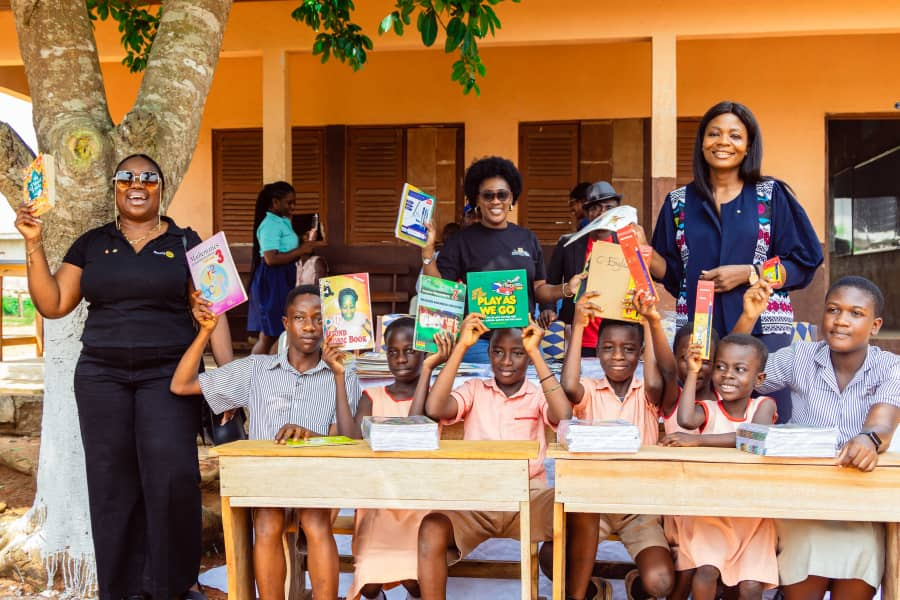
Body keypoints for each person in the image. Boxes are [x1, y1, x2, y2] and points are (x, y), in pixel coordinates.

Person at [14, 154, 232, 600]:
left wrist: (227, 382)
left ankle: (173, 585)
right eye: (127, 177)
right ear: (115, 188)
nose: (138, 184)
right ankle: (122, 589)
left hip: (168, 376)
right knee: (112, 482)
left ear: (161, 187)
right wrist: (33, 244)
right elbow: (53, 303)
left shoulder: (191, 243)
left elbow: (219, 311)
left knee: (170, 476)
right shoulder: (92, 244)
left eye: (148, 177)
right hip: (101, 376)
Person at [171, 284, 360, 600]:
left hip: (318, 476)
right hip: (266, 478)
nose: (310, 327)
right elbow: (182, 384)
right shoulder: (257, 369)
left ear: (330, 325)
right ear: (286, 323)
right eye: (300, 318)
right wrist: (206, 332)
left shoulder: (342, 373)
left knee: (314, 520)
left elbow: (351, 441)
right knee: (268, 520)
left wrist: (338, 377)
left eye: (318, 318)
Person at [650, 100, 824, 423]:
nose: (723, 142)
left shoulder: (771, 196)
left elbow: (805, 260)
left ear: (748, 147)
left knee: (766, 420)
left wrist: (751, 273)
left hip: (762, 330)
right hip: (701, 331)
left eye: (735, 135)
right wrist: (646, 257)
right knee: (701, 420)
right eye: (714, 133)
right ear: (702, 143)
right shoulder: (677, 204)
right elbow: (676, 276)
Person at [734, 276, 899, 599]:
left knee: (861, 552)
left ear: (875, 325)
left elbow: (882, 424)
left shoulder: (890, 367)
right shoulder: (799, 357)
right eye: (833, 310)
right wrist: (749, 317)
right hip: (802, 499)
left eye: (855, 313)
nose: (840, 321)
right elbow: (736, 371)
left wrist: (868, 439)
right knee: (804, 557)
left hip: (859, 502)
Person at [417, 313, 571, 599]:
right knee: (432, 528)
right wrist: (462, 346)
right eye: (498, 352)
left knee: (571, 513)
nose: (506, 361)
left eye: (517, 353)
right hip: (477, 499)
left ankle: (576, 592)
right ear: (488, 353)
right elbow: (436, 408)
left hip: (529, 497)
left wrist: (535, 352)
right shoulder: (475, 389)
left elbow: (563, 415)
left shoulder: (536, 394)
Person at [556, 292, 673, 600]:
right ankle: (590, 590)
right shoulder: (591, 391)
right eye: (608, 348)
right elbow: (568, 386)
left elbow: (658, 382)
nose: (618, 356)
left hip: (640, 507)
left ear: (640, 353)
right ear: (598, 351)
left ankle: (636, 582)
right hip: (595, 504)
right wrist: (579, 326)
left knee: (660, 582)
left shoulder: (647, 393)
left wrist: (648, 319)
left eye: (629, 349)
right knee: (550, 558)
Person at [421, 156, 582, 362]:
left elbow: (539, 289)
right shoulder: (462, 241)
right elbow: (439, 290)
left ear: (511, 198)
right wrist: (427, 253)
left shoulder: (528, 239)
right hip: (477, 344)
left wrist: (567, 288)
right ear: (477, 200)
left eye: (502, 195)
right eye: (488, 195)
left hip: (523, 340)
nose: (495, 201)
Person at [348, 319, 453, 600]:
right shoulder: (372, 396)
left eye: (410, 351)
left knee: (415, 577)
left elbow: (415, 426)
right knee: (369, 580)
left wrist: (429, 369)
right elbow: (354, 443)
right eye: (392, 352)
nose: (401, 358)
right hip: (379, 503)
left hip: (419, 504)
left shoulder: (434, 400)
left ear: (423, 352)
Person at [668, 335, 778, 600]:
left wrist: (698, 441)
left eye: (740, 370)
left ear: (758, 379)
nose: (727, 375)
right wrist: (693, 373)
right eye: (720, 367)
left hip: (753, 518)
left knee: (751, 586)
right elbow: (684, 419)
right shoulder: (707, 410)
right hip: (711, 513)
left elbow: (752, 438)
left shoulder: (764, 406)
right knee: (706, 573)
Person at [538, 180, 626, 346]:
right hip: (577, 336)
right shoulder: (567, 244)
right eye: (595, 208)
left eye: (609, 208)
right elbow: (551, 283)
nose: (602, 213)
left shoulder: (627, 244)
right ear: (587, 213)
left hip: (617, 338)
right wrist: (548, 308)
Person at [247, 181, 317, 355]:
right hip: (273, 281)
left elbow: (286, 249)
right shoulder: (270, 225)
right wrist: (301, 249)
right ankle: (254, 372)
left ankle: (272, 371)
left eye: (294, 202)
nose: (293, 206)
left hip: (283, 279)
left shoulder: (282, 221)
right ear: (275, 202)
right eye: (289, 202)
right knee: (270, 334)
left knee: (281, 332)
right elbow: (271, 259)